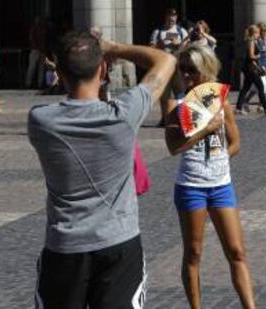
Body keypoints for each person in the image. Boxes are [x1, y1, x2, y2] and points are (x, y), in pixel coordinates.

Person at [28, 30, 176, 309]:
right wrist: (114, 47)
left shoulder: (40, 120)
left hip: (64, 247)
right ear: (103, 69)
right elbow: (166, 60)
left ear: (58, 72)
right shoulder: (123, 116)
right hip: (118, 243)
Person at [163, 43, 255, 309]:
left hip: (221, 185)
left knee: (237, 251)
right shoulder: (176, 103)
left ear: (206, 70)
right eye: (183, 70)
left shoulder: (221, 100)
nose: (187, 76)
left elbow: (235, 143)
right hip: (191, 185)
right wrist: (205, 129)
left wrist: (221, 158)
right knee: (193, 253)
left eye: (192, 70)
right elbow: (173, 147)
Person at [150, 8, 188, 126]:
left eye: (173, 17)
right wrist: (158, 45)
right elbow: (150, 49)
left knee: (180, 94)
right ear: (165, 17)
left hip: (178, 68)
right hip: (164, 68)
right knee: (164, 96)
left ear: (176, 18)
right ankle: (165, 119)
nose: (171, 19)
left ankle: (181, 119)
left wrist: (179, 45)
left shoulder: (182, 32)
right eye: (169, 17)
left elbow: (189, 50)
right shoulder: (157, 32)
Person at [236, 25, 266, 115]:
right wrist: (258, 56)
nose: (259, 35)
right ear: (254, 33)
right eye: (258, 33)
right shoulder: (251, 42)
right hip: (251, 68)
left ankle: (238, 108)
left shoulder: (251, 41)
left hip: (249, 68)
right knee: (261, 87)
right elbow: (251, 56)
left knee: (245, 88)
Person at [244, 22, 266, 112]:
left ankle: (246, 102)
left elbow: (264, 54)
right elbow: (254, 55)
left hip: (262, 65)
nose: (265, 33)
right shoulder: (255, 41)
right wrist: (259, 66)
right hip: (258, 67)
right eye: (263, 31)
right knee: (263, 87)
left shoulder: (262, 41)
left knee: (255, 88)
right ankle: (261, 106)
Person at [25, 18, 46, 89]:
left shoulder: (43, 29)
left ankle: (38, 83)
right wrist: (36, 46)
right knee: (33, 67)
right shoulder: (34, 28)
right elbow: (31, 38)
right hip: (36, 49)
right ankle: (29, 83)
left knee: (40, 67)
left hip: (41, 49)